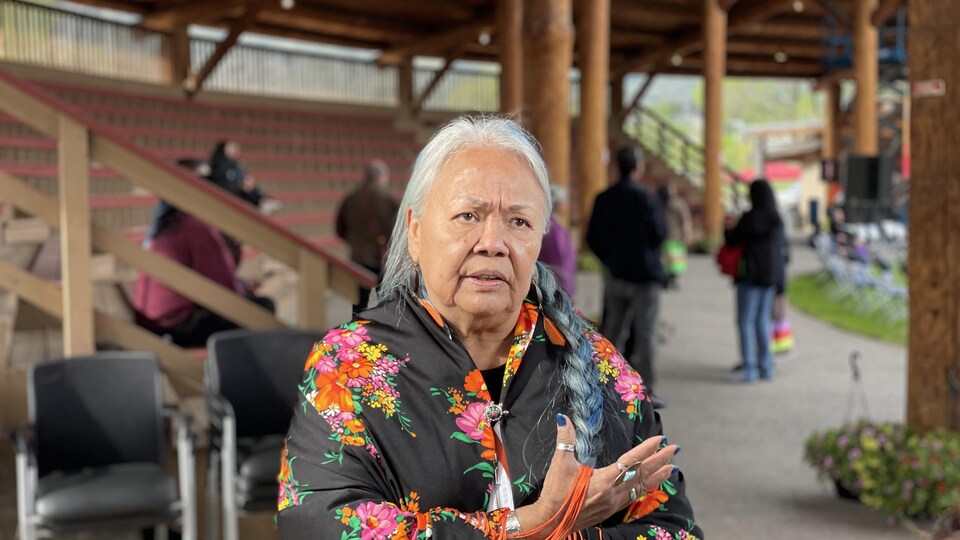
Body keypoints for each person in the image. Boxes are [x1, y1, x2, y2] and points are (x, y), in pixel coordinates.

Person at [277, 117, 701, 539]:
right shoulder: (348, 366)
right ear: (415, 232)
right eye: (467, 216)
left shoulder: (595, 359)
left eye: (519, 222)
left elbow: (676, 529)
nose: (493, 242)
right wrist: (539, 525)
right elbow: (318, 525)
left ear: (539, 240)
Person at [587, 145, 667, 407]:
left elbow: (592, 237)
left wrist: (609, 260)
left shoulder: (604, 198)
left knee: (611, 333)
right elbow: (659, 234)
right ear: (638, 167)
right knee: (646, 334)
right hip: (644, 276)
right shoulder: (646, 198)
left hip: (617, 274)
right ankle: (645, 393)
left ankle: (605, 387)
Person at [133, 205, 274, 348]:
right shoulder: (196, 227)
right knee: (263, 308)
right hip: (176, 326)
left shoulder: (168, 225)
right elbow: (224, 290)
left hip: (153, 321)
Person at [725, 179, 783, 382]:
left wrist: (728, 227)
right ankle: (765, 367)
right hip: (769, 276)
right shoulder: (776, 218)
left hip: (749, 275)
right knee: (762, 321)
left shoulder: (750, 218)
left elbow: (732, 241)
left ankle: (750, 368)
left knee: (745, 321)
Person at [335, 159, 400, 313]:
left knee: (359, 304)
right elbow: (399, 232)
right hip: (382, 259)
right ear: (382, 177)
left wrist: (355, 242)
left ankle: (357, 334)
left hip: (357, 259)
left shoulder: (350, 199)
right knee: (386, 305)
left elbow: (339, 229)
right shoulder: (389, 201)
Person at [208, 140, 282, 262]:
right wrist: (239, 184)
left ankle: (262, 200)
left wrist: (245, 183)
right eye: (230, 148)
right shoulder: (219, 165)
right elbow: (221, 184)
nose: (234, 151)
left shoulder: (236, 166)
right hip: (226, 207)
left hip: (238, 203)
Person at [538, 184, 577, 298]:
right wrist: (567, 287)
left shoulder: (553, 223)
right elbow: (558, 258)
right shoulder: (552, 227)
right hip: (555, 283)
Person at [657, 183, 693, 289]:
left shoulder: (658, 203)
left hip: (668, 237)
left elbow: (684, 220)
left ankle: (669, 279)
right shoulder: (677, 203)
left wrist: (686, 231)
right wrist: (687, 231)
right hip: (673, 237)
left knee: (670, 260)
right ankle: (671, 278)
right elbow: (685, 220)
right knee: (674, 261)